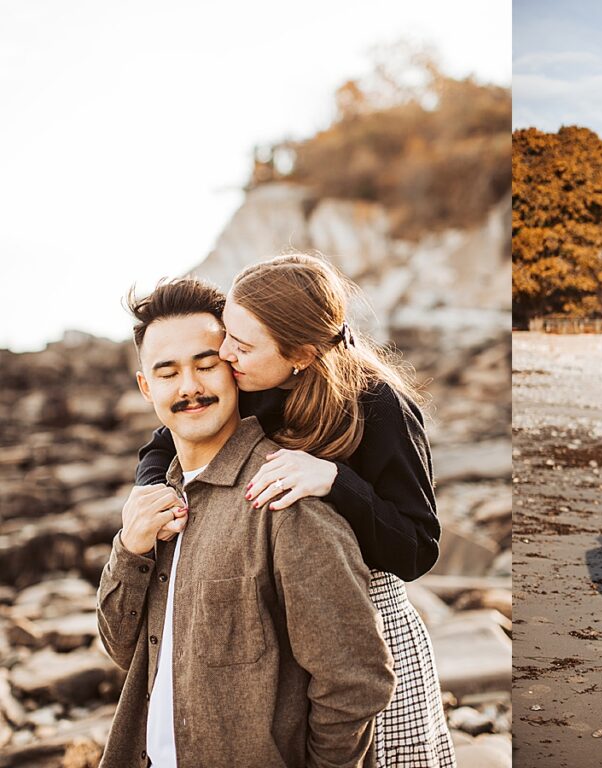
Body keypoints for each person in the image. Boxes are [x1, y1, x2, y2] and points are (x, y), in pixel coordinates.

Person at [134, 255, 455, 767]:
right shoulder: (254, 382)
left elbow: (418, 548)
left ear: (301, 354)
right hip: (289, 638)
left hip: (373, 631)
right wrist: (150, 491)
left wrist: (336, 482)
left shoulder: (378, 405)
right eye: (228, 335)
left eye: (242, 344)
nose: (225, 354)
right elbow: (162, 442)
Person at [98, 278, 395, 768]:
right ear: (145, 387)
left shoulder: (284, 496)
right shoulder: (152, 506)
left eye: (206, 365)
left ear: (235, 368)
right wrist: (129, 548)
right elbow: (124, 650)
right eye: (168, 373)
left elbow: (355, 680)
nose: (189, 386)